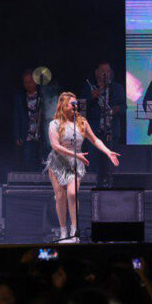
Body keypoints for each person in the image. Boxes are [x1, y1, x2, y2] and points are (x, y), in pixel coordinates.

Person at [45, 92, 121, 241]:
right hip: (58, 163)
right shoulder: (54, 124)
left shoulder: (82, 122)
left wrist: (108, 152)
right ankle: (63, 231)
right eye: (71, 103)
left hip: (75, 162)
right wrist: (74, 154)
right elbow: (55, 145)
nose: (75, 106)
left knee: (72, 194)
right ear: (63, 105)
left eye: (76, 103)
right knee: (60, 197)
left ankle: (74, 231)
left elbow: (95, 140)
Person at [83, 61, 127, 187]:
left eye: (107, 71)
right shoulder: (89, 88)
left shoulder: (117, 88)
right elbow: (81, 107)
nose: (105, 74)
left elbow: (124, 106)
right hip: (94, 133)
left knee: (110, 162)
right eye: (103, 71)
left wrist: (116, 109)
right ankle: (92, 187)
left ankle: (110, 187)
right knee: (92, 161)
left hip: (111, 131)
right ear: (97, 72)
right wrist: (91, 97)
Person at [13, 69, 52, 172]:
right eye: (25, 82)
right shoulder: (20, 97)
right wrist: (17, 135)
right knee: (28, 162)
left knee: (44, 161)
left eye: (29, 82)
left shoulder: (42, 95)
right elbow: (17, 117)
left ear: (35, 82)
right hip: (27, 136)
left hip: (42, 135)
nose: (27, 85)